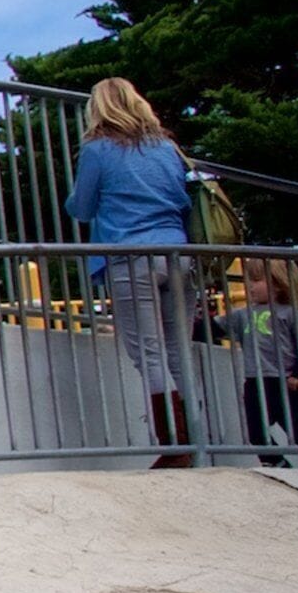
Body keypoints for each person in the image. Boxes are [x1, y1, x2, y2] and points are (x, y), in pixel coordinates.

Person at [64, 77, 202, 467]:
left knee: (149, 353)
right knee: (179, 351)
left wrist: (72, 199)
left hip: (131, 256)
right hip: (178, 253)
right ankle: (195, 439)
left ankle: (176, 446)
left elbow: (83, 207)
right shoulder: (167, 147)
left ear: (99, 108)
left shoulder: (98, 149)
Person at [203, 258, 298, 469]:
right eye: (248, 280)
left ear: (279, 284)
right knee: (255, 429)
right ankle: (275, 461)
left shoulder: (291, 314)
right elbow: (212, 329)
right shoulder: (242, 315)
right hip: (254, 380)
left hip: (285, 380)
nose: (249, 286)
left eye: (256, 280)